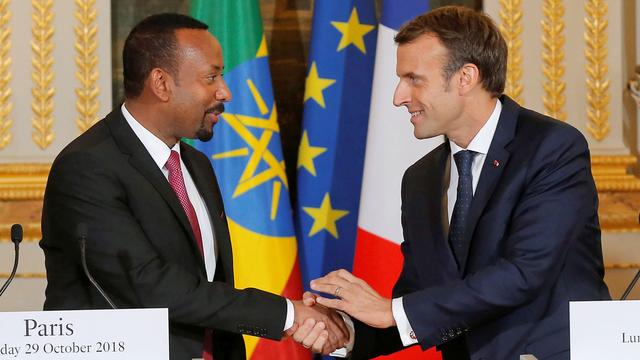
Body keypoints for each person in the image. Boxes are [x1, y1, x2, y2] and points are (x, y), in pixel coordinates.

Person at [298, 6, 611, 360]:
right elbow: (422, 301)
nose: (398, 97)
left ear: (465, 77)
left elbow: (525, 273)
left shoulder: (552, 148)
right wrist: (346, 332)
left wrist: (392, 311)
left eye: (414, 79)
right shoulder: (421, 179)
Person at [39, 13, 347, 360]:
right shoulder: (87, 167)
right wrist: (288, 314)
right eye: (211, 77)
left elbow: (210, 285)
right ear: (161, 83)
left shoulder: (197, 165)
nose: (225, 92)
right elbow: (148, 286)